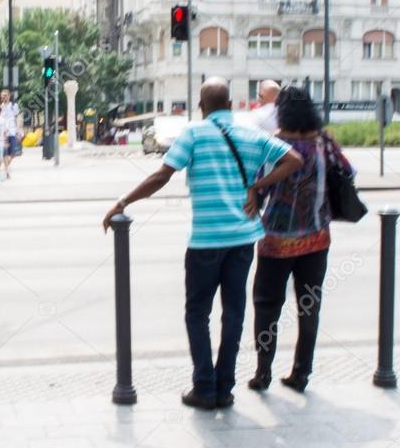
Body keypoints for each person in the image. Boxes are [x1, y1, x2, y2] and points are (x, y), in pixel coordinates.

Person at [101, 78, 303, 411]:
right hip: (243, 240)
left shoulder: (194, 134)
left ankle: (204, 386)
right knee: (234, 313)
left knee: (197, 313)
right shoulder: (251, 134)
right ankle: (225, 388)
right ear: (229, 104)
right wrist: (258, 187)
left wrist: (123, 202)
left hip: (206, 241)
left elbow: (161, 176)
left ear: (201, 106)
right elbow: (294, 159)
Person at [248, 86, 354, 394]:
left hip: (277, 241)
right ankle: (301, 373)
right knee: (309, 307)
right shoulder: (324, 141)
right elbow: (347, 171)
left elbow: (259, 186)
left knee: (267, 306)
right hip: (317, 238)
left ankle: (263, 371)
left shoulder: (276, 145)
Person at [0, 89, 21, 178]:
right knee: (5, 153)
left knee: (13, 153)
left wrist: (18, 128)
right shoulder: (0, 107)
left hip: (12, 131)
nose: (4, 97)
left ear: (9, 96)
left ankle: (6, 166)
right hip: (3, 133)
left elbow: (17, 117)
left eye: (5, 95)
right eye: (2, 96)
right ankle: (7, 171)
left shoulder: (14, 106)